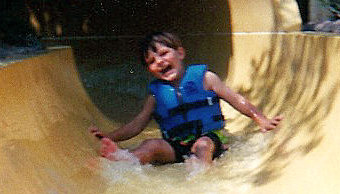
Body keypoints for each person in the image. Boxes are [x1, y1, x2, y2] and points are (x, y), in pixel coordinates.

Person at [89, 31, 282, 166]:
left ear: (180, 53)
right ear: (149, 69)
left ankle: (199, 170)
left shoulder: (206, 78)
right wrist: (108, 136)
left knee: (203, 146)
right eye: (152, 62)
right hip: (176, 146)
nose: (160, 62)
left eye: (164, 54)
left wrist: (261, 120)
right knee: (151, 145)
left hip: (210, 138)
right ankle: (122, 159)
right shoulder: (156, 95)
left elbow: (236, 100)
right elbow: (137, 125)